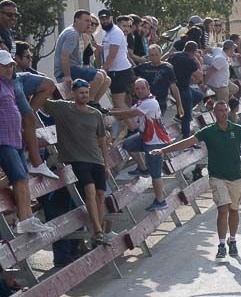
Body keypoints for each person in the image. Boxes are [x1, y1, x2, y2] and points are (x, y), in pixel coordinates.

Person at [154, 99, 241, 259]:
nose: (223, 113)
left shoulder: (237, 130)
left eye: (225, 110)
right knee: (223, 209)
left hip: (235, 177)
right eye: (220, 110)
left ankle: (233, 240)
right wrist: (163, 150)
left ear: (228, 112)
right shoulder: (208, 131)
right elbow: (186, 142)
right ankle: (222, 244)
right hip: (217, 177)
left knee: (234, 210)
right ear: (214, 113)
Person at [42, 80, 116, 245]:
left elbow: (102, 139)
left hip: (96, 159)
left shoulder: (95, 113)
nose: (84, 95)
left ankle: (99, 231)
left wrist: (106, 163)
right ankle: (97, 231)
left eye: (86, 92)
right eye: (81, 92)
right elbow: (42, 101)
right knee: (89, 190)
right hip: (77, 159)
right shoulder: (63, 107)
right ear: (73, 93)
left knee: (100, 195)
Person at [0, 50, 53, 234]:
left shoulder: (10, 84)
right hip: (3, 140)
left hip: (14, 139)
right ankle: (26, 220)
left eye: (11, 65)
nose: (9, 69)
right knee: (20, 178)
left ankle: (28, 217)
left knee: (22, 177)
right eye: (5, 66)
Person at [110, 78, 171, 211]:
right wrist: (116, 112)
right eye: (137, 89)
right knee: (127, 144)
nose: (139, 91)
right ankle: (143, 167)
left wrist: (111, 113)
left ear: (148, 88)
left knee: (155, 174)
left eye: (142, 88)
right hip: (145, 138)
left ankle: (160, 201)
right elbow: (129, 115)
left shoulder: (150, 103)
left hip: (155, 142)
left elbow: (130, 113)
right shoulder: (141, 102)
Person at [54, 9, 110, 102]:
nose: (90, 24)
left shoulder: (79, 33)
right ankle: (89, 102)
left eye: (91, 21)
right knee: (99, 76)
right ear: (77, 20)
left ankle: (95, 104)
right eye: (87, 21)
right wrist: (67, 77)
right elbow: (64, 56)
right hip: (65, 71)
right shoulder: (72, 33)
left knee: (106, 79)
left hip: (75, 69)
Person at [133, 44, 182, 118]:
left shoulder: (167, 68)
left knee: (155, 123)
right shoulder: (143, 67)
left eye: (156, 55)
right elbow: (131, 76)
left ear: (160, 55)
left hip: (159, 102)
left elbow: (173, 87)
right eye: (152, 55)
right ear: (149, 56)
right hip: (144, 101)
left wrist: (179, 104)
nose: (154, 57)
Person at [100, 13, 135, 115]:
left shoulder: (117, 34)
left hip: (120, 71)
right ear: (118, 24)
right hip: (121, 70)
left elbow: (113, 55)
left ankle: (135, 128)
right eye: (124, 26)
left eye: (129, 26)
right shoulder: (110, 33)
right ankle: (130, 128)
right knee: (122, 104)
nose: (126, 29)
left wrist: (103, 69)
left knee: (119, 104)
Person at [167, 40, 201, 138]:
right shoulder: (189, 61)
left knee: (199, 96)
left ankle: (179, 114)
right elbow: (199, 77)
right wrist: (198, 62)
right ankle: (186, 138)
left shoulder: (175, 55)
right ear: (193, 52)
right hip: (182, 89)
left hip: (173, 86)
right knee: (187, 116)